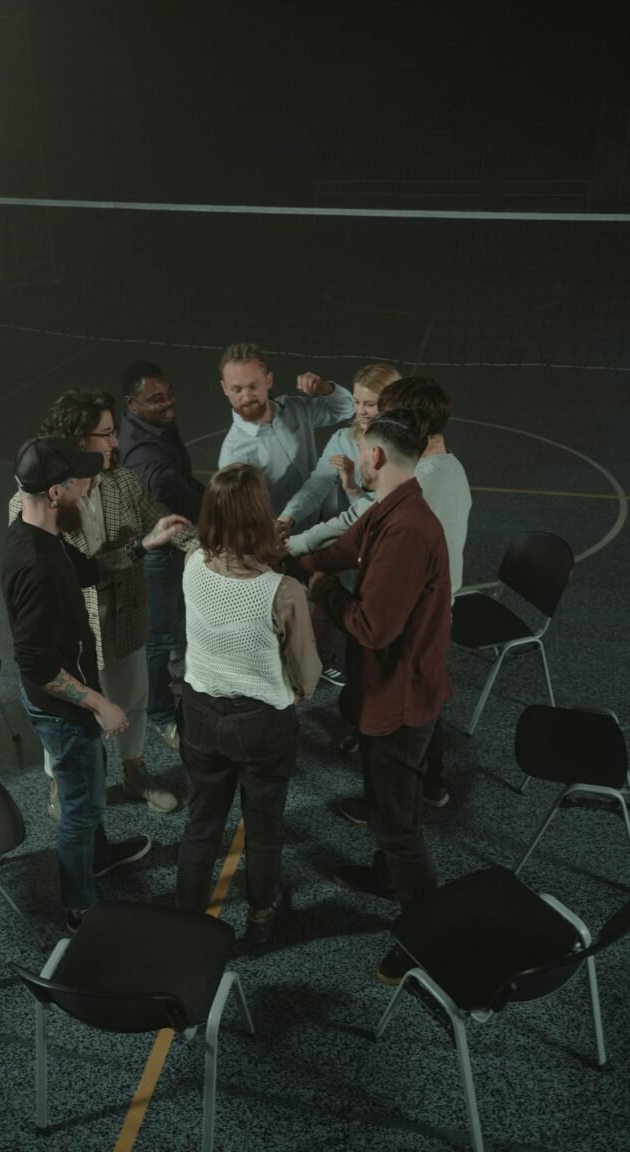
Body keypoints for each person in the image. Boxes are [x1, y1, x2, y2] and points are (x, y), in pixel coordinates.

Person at [1, 436, 189, 932]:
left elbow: (82, 570)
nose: (90, 487)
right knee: (79, 811)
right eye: (81, 481)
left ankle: (99, 856)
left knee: (88, 786)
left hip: (70, 700)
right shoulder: (35, 565)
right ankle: (81, 909)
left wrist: (143, 545)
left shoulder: (41, 537)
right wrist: (98, 703)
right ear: (56, 493)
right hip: (63, 709)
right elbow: (36, 663)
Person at [298, 409, 452, 983]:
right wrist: (292, 561)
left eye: (361, 448)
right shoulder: (392, 506)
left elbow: (372, 628)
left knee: (398, 824)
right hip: (387, 692)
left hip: (402, 700)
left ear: (376, 457)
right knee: (390, 801)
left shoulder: (409, 530)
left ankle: (426, 938)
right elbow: (340, 551)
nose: (359, 456)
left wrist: (319, 591)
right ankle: (387, 876)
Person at [9, 390, 196, 816]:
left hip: (124, 612)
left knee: (132, 697)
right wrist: (137, 548)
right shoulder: (32, 502)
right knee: (68, 714)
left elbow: (165, 524)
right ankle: (61, 782)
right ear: (77, 440)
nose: (116, 443)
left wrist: (212, 556)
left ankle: (135, 773)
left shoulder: (123, 483)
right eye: (107, 434)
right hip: (73, 627)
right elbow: (55, 574)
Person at [289, 376, 472, 806]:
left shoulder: (416, 491)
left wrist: (307, 567)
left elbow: (356, 522)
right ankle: (428, 783)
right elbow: (359, 528)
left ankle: (396, 804)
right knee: (420, 692)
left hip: (417, 609)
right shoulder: (443, 469)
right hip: (430, 603)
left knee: (402, 699)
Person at [176, 463, 321, 945]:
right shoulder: (283, 592)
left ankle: (187, 920)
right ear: (262, 515)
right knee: (262, 827)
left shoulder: (192, 563)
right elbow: (308, 674)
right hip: (261, 722)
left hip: (199, 711)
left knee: (201, 824)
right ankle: (261, 915)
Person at [276, 363, 401, 687]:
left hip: (387, 540)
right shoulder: (344, 438)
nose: (359, 411)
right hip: (349, 534)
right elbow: (317, 484)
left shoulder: (401, 446)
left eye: (369, 404)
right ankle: (324, 659)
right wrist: (288, 517)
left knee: (375, 607)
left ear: (390, 403)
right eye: (357, 402)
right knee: (326, 587)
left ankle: (375, 673)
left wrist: (351, 489)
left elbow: (380, 505)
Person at [118, 362, 205, 746]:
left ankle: (173, 681)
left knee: (174, 625)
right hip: (157, 550)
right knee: (157, 637)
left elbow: (184, 478)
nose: (169, 402)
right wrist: (218, 510)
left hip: (173, 540)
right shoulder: (141, 451)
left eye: (169, 393)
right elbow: (168, 485)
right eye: (157, 398)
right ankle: (159, 713)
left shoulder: (158, 425)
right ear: (132, 404)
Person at [217, 342, 354, 525]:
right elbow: (242, 519)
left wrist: (323, 387)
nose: (247, 397)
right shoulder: (233, 457)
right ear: (225, 389)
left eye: (253, 386)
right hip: (285, 537)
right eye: (237, 389)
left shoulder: (293, 408)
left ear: (268, 380)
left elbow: (346, 409)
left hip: (322, 515)